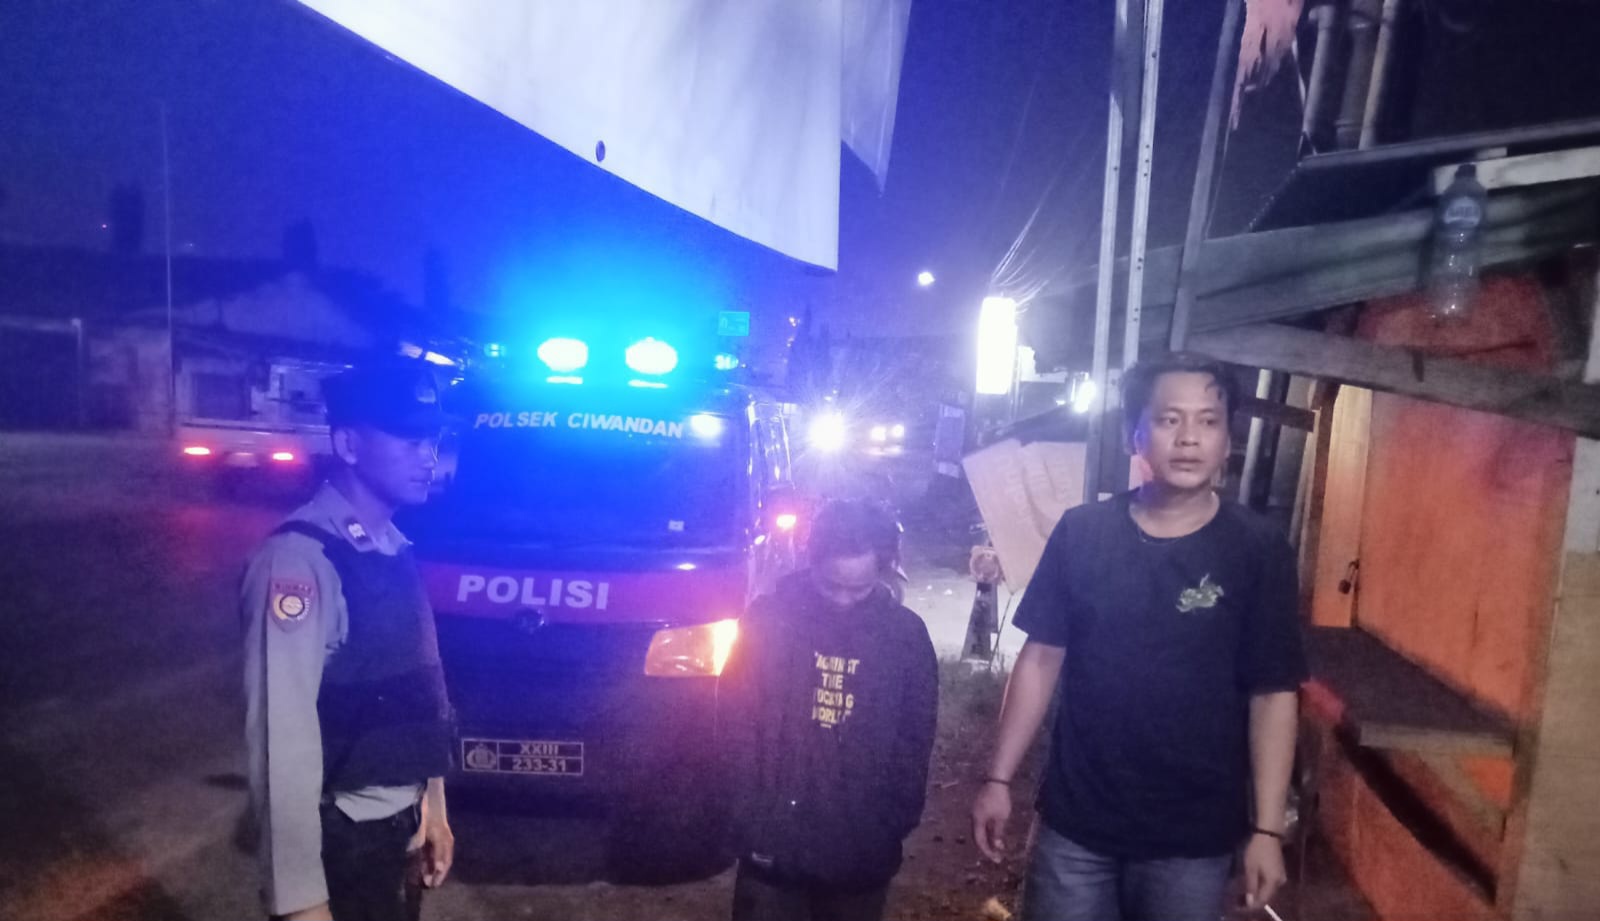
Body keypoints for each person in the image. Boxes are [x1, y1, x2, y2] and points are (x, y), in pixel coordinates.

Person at [970, 353, 1307, 921]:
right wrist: (998, 778)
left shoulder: (1256, 549)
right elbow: (1040, 659)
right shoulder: (1083, 534)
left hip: (1193, 837)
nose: (1189, 438)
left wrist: (1267, 830)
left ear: (1228, 440)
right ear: (1135, 435)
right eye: (1169, 419)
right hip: (1077, 824)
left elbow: (1273, 692)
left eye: (1208, 421)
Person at [242, 361, 457, 921]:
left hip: (399, 831)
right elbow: (280, 739)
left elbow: (417, 687)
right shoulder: (300, 560)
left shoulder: (392, 547)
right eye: (409, 440)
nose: (428, 456)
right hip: (344, 842)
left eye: (431, 440)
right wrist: (300, 899)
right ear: (349, 445)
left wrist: (432, 804)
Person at [721, 499, 939, 921]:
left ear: (884, 570)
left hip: (861, 854)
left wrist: (890, 823)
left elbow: (914, 741)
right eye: (831, 585)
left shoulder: (905, 638)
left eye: (858, 589)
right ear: (812, 561)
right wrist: (748, 814)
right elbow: (733, 721)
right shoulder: (768, 622)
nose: (842, 599)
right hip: (771, 850)